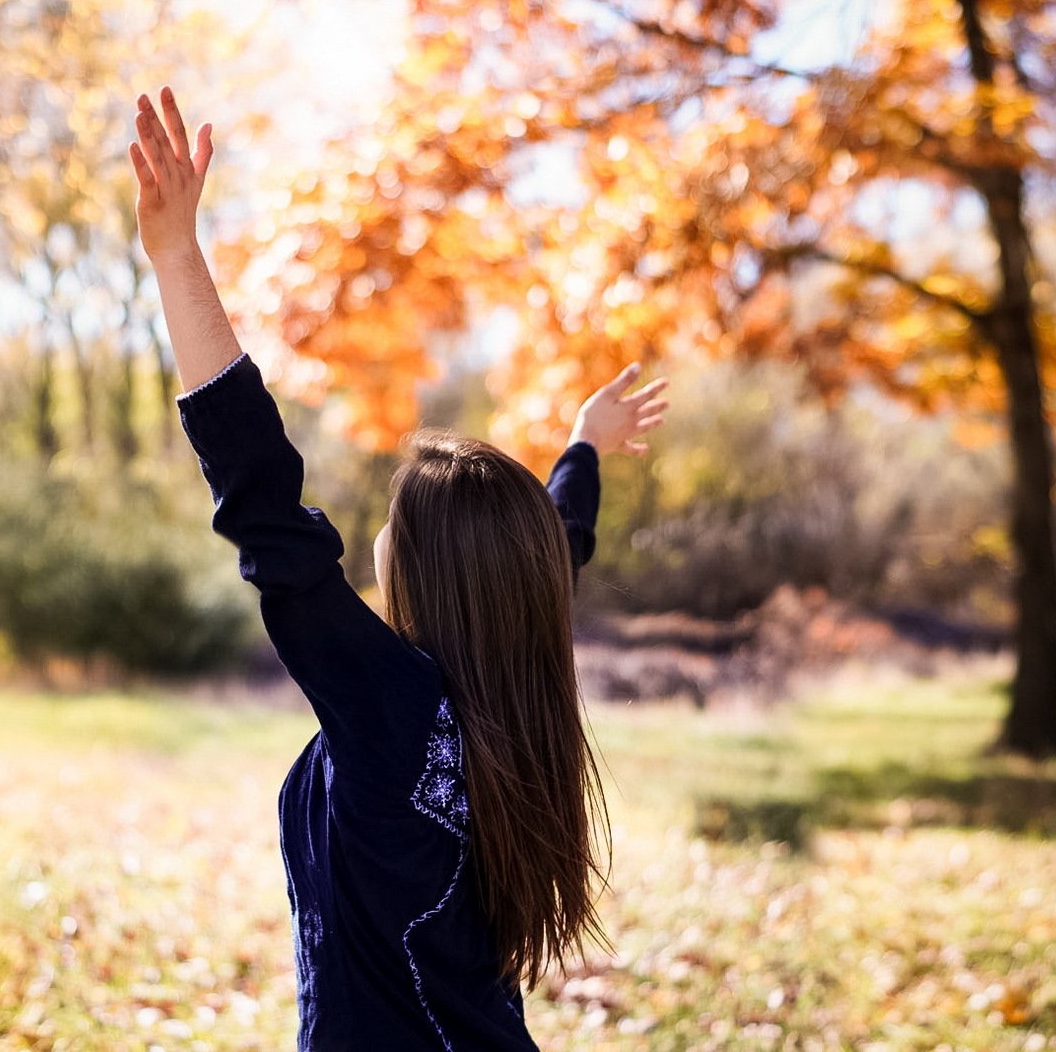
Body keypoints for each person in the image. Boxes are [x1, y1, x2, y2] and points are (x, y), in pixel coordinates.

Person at [130, 86, 669, 1051]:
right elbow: (558, 543)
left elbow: (268, 512)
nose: (373, 538)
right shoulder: (508, 685)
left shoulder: (396, 707)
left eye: (392, 521)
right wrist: (581, 445)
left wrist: (178, 260)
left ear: (420, 567)